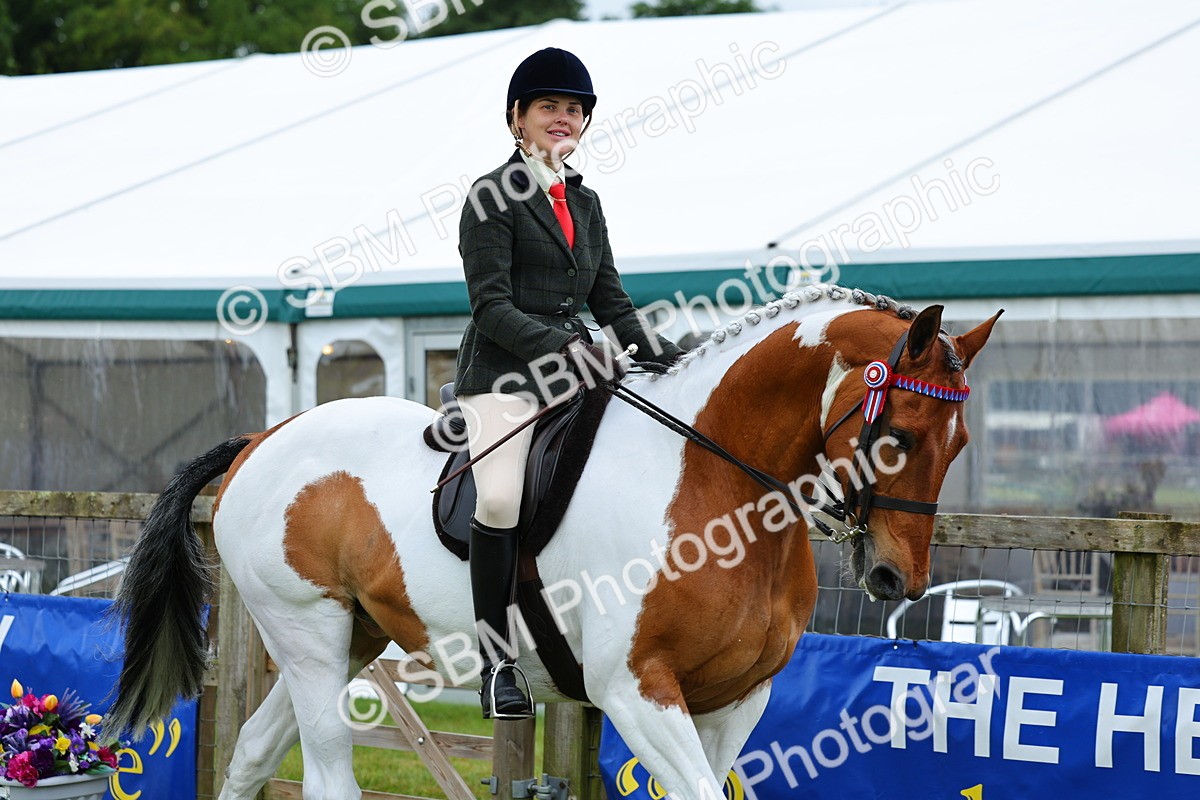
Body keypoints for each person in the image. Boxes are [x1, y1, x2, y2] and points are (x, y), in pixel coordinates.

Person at [454, 47, 684, 718]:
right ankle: (497, 661)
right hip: (503, 375)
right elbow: (490, 308)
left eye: (574, 109)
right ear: (516, 118)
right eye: (549, 107)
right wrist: (569, 347)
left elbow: (610, 300)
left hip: (577, 371)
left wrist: (663, 356)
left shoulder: (585, 201)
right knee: (498, 500)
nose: (565, 118)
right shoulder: (490, 198)